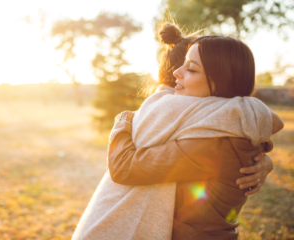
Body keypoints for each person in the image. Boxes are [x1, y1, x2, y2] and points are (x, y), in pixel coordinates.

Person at [72, 23, 279, 240]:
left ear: (221, 83)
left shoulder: (215, 145)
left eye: (191, 68)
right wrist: (265, 154)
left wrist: (123, 120)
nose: (176, 72)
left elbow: (125, 168)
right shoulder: (222, 127)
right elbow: (262, 121)